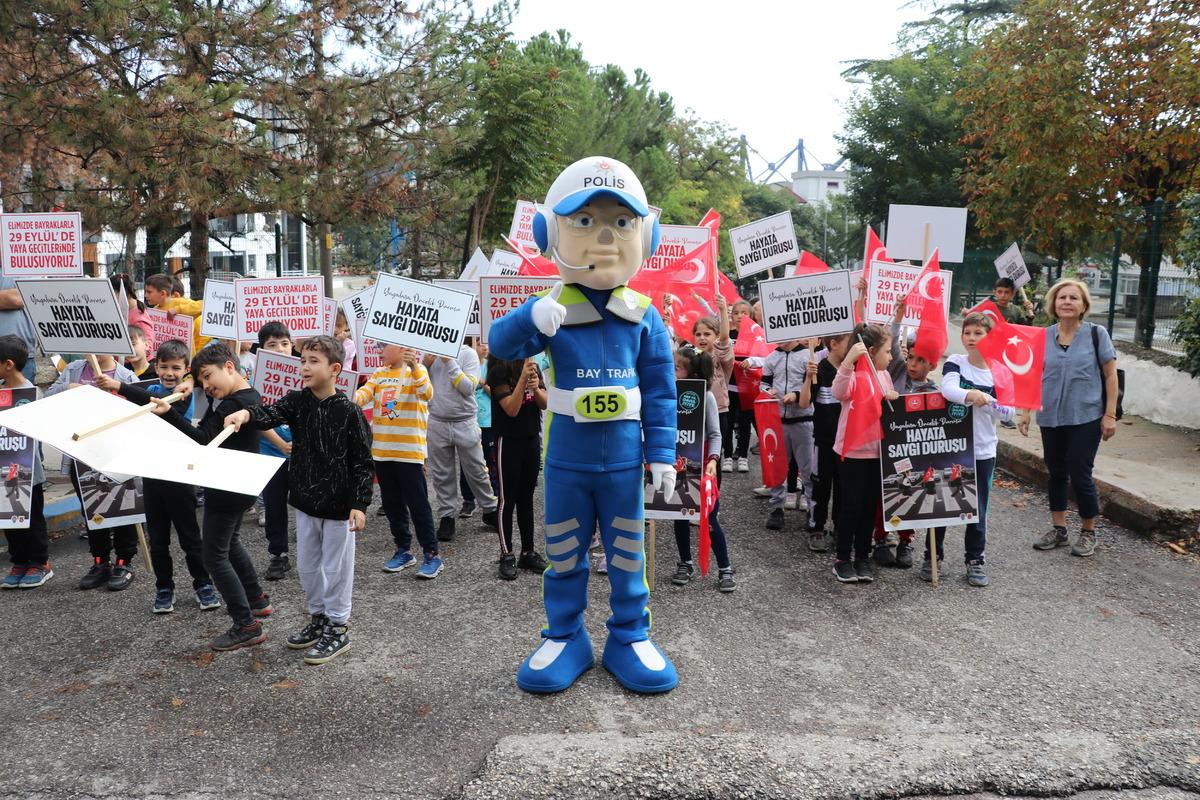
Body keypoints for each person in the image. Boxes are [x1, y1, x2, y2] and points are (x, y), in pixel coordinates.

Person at [224, 336, 373, 665]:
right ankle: (318, 617)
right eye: (302, 360)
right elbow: (268, 414)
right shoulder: (297, 401)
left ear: (335, 369)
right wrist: (244, 417)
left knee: (337, 570)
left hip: (338, 510)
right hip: (305, 502)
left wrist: (359, 505)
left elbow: (363, 462)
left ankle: (338, 626)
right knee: (307, 568)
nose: (304, 367)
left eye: (313, 361)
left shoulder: (350, 412)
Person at [151, 344, 273, 651]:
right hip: (239, 484)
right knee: (228, 544)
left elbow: (202, 439)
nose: (207, 386)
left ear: (229, 367)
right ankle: (256, 599)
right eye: (201, 381)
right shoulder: (244, 396)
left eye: (208, 377)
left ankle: (246, 625)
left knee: (213, 556)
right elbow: (208, 429)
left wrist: (169, 414)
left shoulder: (234, 404)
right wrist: (192, 381)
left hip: (227, 486)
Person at [97, 340, 219, 613]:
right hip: (152, 476)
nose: (168, 373)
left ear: (187, 369)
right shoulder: (151, 391)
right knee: (159, 539)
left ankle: (203, 583)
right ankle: (164, 588)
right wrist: (117, 388)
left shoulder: (196, 396)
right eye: (163, 366)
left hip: (180, 478)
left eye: (176, 368)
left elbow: (198, 388)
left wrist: (191, 384)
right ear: (155, 366)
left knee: (190, 538)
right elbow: (142, 399)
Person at [1018, 279, 1118, 558]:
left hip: (1086, 415)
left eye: (1074, 298)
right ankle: (1059, 529)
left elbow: (1111, 376)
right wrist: (1025, 411)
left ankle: (1088, 531)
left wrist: (1110, 415)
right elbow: (1032, 375)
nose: (1067, 302)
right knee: (1056, 472)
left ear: (1083, 305)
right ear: (1054, 303)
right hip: (1050, 415)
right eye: (1062, 297)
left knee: (1080, 472)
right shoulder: (1043, 337)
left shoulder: (1097, 334)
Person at [922, 313, 1015, 586]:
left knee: (978, 508)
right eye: (967, 333)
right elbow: (949, 389)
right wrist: (970, 394)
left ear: (991, 337)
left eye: (978, 333)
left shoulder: (1001, 371)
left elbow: (1009, 411)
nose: (972, 338)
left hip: (983, 450)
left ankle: (975, 559)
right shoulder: (955, 362)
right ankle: (932, 555)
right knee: (941, 503)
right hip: (951, 447)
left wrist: (986, 401)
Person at [46, 349, 140, 591]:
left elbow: (143, 407)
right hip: (82, 456)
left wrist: (115, 393)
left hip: (117, 453)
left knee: (122, 507)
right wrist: (68, 390)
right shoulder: (73, 370)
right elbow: (47, 397)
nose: (94, 353)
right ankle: (100, 561)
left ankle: (124, 561)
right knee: (92, 508)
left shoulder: (126, 376)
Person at [355, 344, 442, 578]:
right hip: (382, 453)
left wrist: (414, 366)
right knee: (392, 505)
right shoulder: (379, 374)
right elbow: (361, 397)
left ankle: (432, 554)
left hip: (409, 453)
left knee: (418, 505)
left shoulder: (419, 370)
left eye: (383, 346)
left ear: (401, 347)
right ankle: (403, 550)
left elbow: (427, 393)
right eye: (377, 346)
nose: (378, 350)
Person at [873, 301, 938, 569]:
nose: (912, 364)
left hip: (914, 457)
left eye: (920, 360)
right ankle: (880, 538)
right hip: (888, 448)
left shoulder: (935, 393)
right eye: (910, 357)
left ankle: (905, 541)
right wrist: (898, 317)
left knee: (909, 496)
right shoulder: (898, 372)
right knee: (884, 493)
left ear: (932, 365)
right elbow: (894, 342)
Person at [831, 323, 898, 584]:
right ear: (870, 351)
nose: (891, 357)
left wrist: (893, 397)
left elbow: (889, 409)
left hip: (876, 452)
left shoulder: (884, 376)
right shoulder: (854, 375)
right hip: (852, 454)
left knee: (870, 508)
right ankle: (842, 559)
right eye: (887, 352)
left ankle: (862, 556)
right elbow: (838, 391)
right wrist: (848, 360)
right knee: (851, 507)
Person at [670, 344, 735, 592]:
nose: (672, 371)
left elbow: (716, 434)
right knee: (679, 514)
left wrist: (713, 461)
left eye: (677, 368)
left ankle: (724, 567)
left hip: (705, 465)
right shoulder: (670, 392)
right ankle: (685, 562)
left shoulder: (706, 396)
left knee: (709, 519)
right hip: (679, 463)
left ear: (692, 373)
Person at [424, 345, 498, 542]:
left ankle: (490, 509)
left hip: (464, 421)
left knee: (476, 470)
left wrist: (449, 361)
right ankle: (447, 516)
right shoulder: (429, 354)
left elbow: (468, 388)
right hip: (437, 420)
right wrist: (423, 365)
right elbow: (421, 388)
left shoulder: (468, 353)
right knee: (441, 473)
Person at [488, 355, 549, 580]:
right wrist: (523, 381)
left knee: (527, 497)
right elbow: (511, 409)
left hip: (531, 438)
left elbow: (544, 403)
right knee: (507, 499)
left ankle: (528, 552)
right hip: (508, 440)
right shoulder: (498, 372)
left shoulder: (533, 369)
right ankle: (506, 553)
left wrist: (536, 388)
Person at [0, 336, 52, 589]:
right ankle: (19, 561)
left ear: (8, 364)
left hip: (29, 471)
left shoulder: (33, 393)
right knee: (10, 517)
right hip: (3, 470)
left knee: (32, 518)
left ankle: (40, 563)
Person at [254, 322, 296, 581]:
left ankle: (315, 551)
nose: (280, 349)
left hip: (303, 455)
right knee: (274, 506)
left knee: (307, 506)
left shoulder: (306, 376)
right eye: (272, 344)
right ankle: (278, 554)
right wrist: (280, 444)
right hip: (271, 454)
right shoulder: (257, 380)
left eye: (284, 343)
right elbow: (256, 419)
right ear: (262, 349)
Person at [760, 338, 815, 532]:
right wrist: (768, 391)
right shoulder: (771, 358)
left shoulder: (806, 356)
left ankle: (813, 510)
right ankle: (776, 508)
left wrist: (796, 395)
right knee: (777, 467)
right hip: (778, 422)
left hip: (803, 421)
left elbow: (812, 387)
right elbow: (763, 384)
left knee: (808, 469)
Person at [807, 334, 850, 552]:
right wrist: (808, 378)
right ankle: (816, 527)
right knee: (821, 486)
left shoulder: (853, 370)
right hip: (823, 441)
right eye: (848, 343)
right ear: (833, 344)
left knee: (843, 488)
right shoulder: (819, 369)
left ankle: (838, 527)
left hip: (845, 444)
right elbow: (805, 402)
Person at [691, 298, 734, 473]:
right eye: (698, 334)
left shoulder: (719, 356)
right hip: (692, 411)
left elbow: (724, 338)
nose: (702, 338)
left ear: (715, 336)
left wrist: (723, 311)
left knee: (714, 455)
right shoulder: (689, 355)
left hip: (718, 411)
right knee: (691, 454)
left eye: (707, 334)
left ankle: (712, 494)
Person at [143, 273, 210, 355]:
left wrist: (178, 310)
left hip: (185, 359)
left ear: (162, 293)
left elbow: (205, 305)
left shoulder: (179, 303)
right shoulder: (155, 310)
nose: (145, 295)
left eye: (149, 292)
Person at [725, 299, 756, 473]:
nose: (739, 316)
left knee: (745, 423)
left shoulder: (756, 336)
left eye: (744, 313)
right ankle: (727, 456)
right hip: (729, 387)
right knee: (728, 423)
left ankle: (743, 456)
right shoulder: (727, 334)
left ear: (751, 316)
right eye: (736, 313)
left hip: (747, 387)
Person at [0, 277, 39, 384]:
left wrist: (10, 297)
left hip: (19, 356)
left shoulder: (24, 267)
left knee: (21, 399)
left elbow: (19, 298)